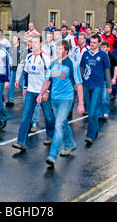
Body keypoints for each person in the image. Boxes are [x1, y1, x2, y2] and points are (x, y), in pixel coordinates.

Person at [37, 39, 84, 167]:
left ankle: (52, 156)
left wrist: (81, 103)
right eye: (56, 48)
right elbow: (48, 81)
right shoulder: (53, 63)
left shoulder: (72, 64)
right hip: (54, 98)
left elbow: (79, 84)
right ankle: (70, 145)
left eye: (60, 49)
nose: (57, 51)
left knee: (58, 124)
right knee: (62, 123)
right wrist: (41, 94)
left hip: (66, 99)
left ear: (66, 51)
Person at [12, 34, 55, 151]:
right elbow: (26, 73)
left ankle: (50, 136)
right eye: (32, 42)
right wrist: (25, 87)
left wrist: (47, 91)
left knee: (48, 116)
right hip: (31, 91)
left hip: (43, 91)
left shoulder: (46, 58)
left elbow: (51, 76)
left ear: (41, 44)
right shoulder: (29, 57)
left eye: (36, 42)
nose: (33, 44)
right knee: (26, 116)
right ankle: (21, 142)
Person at [80, 34, 112, 145]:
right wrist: (79, 83)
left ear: (99, 43)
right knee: (90, 111)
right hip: (87, 85)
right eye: (91, 42)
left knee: (93, 110)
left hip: (98, 85)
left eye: (94, 42)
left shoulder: (103, 55)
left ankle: (90, 135)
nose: (92, 44)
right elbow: (82, 69)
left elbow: (107, 71)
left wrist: (108, 86)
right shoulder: (85, 54)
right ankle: (95, 130)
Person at [100, 41, 117, 106]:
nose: (102, 49)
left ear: (108, 48)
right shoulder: (98, 55)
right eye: (101, 47)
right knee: (99, 97)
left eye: (104, 47)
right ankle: (100, 112)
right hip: (99, 79)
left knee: (105, 97)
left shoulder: (112, 56)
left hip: (107, 79)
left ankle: (105, 111)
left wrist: (114, 78)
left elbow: (116, 67)